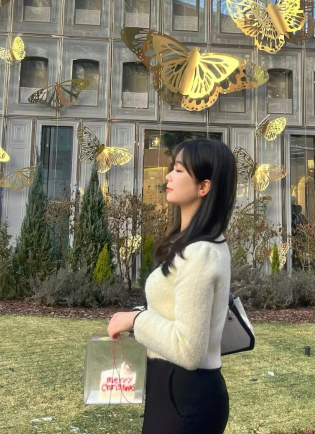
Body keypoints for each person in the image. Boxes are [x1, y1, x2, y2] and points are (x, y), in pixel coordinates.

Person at [107, 139, 236, 434]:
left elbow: (189, 349)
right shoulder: (194, 244)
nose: (167, 176)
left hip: (186, 395)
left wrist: (136, 319)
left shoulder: (201, 252)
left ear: (204, 187)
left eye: (178, 170)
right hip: (173, 389)